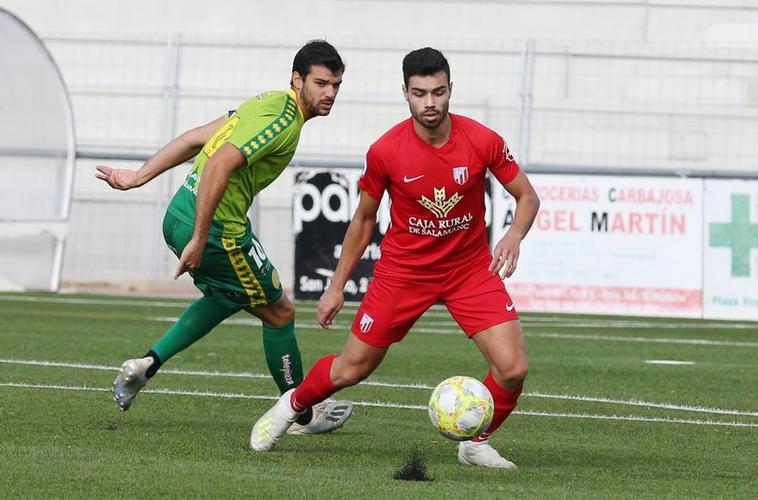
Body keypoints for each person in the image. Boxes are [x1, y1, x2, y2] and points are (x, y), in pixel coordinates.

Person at [250, 47, 541, 468]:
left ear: (450, 91)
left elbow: (526, 196)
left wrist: (514, 234)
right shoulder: (386, 150)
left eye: (438, 92)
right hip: (403, 274)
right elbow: (363, 221)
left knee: (512, 368)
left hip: (469, 270)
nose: (430, 103)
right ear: (405, 93)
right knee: (351, 370)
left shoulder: (483, 140)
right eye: (420, 93)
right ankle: (289, 406)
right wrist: (336, 287)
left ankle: (475, 441)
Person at [95, 40, 353, 436]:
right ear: (297, 80)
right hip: (216, 230)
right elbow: (217, 164)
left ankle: (147, 364)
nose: (330, 93)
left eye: (336, 85)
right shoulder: (282, 121)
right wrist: (200, 238)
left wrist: (137, 177)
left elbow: (195, 138)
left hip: (178, 213)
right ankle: (301, 413)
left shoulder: (263, 102)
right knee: (280, 313)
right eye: (321, 83)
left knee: (224, 295)